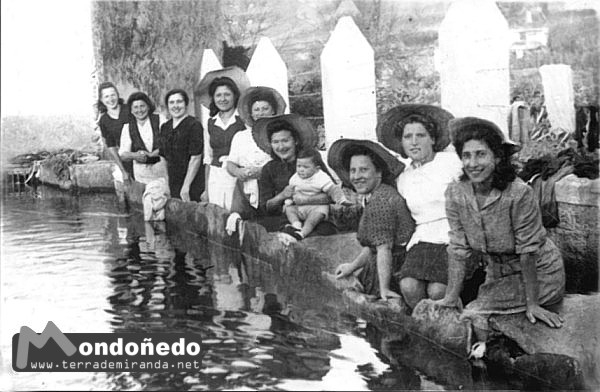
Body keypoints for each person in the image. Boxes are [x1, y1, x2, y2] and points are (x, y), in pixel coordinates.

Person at [436, 117, 565, 356]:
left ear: (497, 157)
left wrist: (532, 303)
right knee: (474, 308)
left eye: (481, 155)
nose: (473, 163)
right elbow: (457, 249)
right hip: (497, 272)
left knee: (475, 311)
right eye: (467, 156)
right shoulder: (455, 193)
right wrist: (450, 297)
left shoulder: (518, 193)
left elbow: (528, 251)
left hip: (540, 270)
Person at [377, 104, 462, 309]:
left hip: (454, 234)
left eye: (420, 135)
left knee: (437, 291)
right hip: (422, 238)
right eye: (408, 137)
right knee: (408, 286)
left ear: (432, 139)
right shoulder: (404, 177)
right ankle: (426, 327)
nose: (414, 142)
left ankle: (452, 322)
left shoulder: (451, 162)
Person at [329, 139, 415, 300]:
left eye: (363, 170)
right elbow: (373, 246)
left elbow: (384, 249)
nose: (356, 176)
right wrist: (352, 267)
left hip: (393, 269)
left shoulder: (382, 200)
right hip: (382, 263)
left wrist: (384, 289)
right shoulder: (374, 195)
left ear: (379, 173)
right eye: (353, 170)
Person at [253, 114, 336, 235]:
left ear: (295, 141)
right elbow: (266, 207)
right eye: (275, 142)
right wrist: (282, 195)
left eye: (285, 141)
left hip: (315, 216)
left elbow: (332, 195)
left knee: (322, 232)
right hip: (284, 218)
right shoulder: (269, 168)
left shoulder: (310, 161)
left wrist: (305, 199)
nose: (281, 147)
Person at [226, 86, 285, 219]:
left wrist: (262, 172)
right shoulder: (240, 136)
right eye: (256, 110)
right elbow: (230, 163)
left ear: (273, 111)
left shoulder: (281, 134)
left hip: (273, 191)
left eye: (265, 109)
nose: (260, 113)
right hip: (245, 192)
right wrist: (238, 172)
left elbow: (286, 163)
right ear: (251, 114)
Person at [196, 67, 250, 209]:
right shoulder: (210, 122)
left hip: (237, 176)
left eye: (227, 94)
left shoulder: (243, 119)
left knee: (236, 216)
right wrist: (206, 190)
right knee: (218, 216)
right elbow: (208, 157)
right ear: (213, 98)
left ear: (235, 96)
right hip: (216, 177)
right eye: (218, 95)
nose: (223, 99)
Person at [282, 148, 351, 240]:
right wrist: (288, 201)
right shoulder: (295, 178)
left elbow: (333, 189)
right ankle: (296, 224)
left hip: (316, 207)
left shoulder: (321, 177)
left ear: (317, 169)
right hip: (300, 207)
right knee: (289, 209)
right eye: (299, 166)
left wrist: (341, 200)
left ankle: (302, 233)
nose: (301, 170)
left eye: (305, 167)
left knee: (313, 218)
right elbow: (292, 191)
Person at [158, 89, 204, 201]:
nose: (175, 106)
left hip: (192, 181)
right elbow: (163, 156)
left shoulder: (194, 125)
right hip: (173, 180)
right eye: (172, 102)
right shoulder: (165, 127)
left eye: (179, 102)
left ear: (186, 104)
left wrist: (186, 186)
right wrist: (166, 182)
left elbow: (196, 158)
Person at [118, 92, 168, 184]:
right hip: (141, 174)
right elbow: (123, 154)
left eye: (142, 106)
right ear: (131, 110)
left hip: (161, 171)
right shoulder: (127, 127)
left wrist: (152, 154)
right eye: (135, 107)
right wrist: (134, 155)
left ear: (148, 107)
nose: (139, 110)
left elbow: (169, 144)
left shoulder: (160, 119)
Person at [96, 82, 132, 182]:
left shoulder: (129, 109)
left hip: (142, 156)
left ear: (117, 94)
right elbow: (111, 147)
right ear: (101, 100)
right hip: (126, 158)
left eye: (113, 95)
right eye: (106, 96)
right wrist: (123, 171)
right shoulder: (104, 120)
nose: (111, 99)